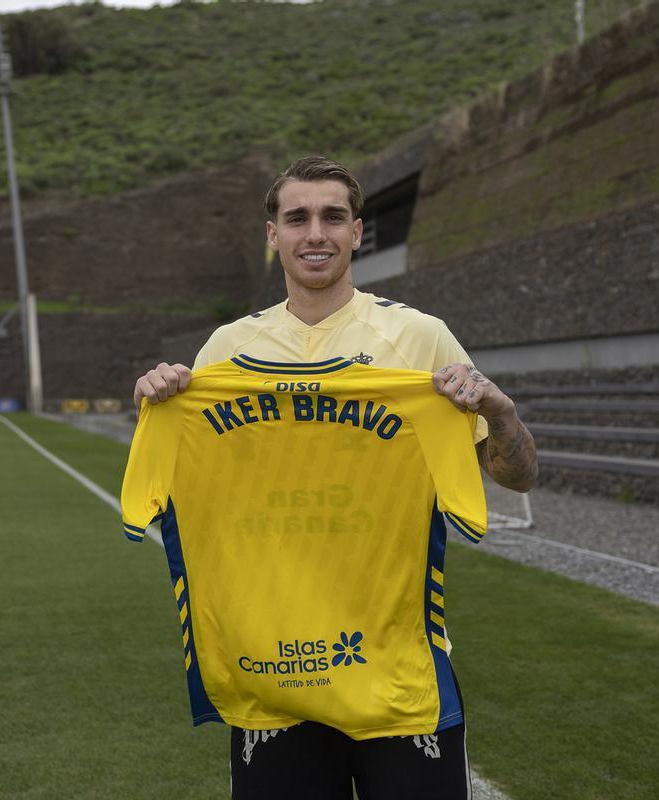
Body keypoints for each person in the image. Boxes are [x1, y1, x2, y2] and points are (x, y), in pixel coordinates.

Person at [131, 156, 537, 799]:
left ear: (356, 232)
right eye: (297, 218)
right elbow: (183, 488)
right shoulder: (226, 351)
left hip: (397, 670)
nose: (314, 232)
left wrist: (501, 413)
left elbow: (516, 476)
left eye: (332, 217)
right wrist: (160, 409)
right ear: (273, 235)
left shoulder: (420, 339)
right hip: (272, 672)